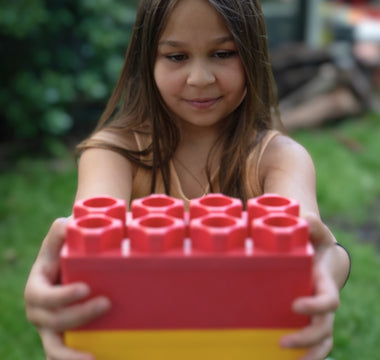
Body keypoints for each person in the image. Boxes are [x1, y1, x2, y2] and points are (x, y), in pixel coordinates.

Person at [24, 0, 351, 359]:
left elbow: (314, 243)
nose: (200, 78)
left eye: (223, 53)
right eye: (176, 57)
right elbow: (88, 239)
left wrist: (330, 268)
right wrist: (54, 278)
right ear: (147, 60)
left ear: (253, 54)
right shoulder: (113, 155)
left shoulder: (278, 159)